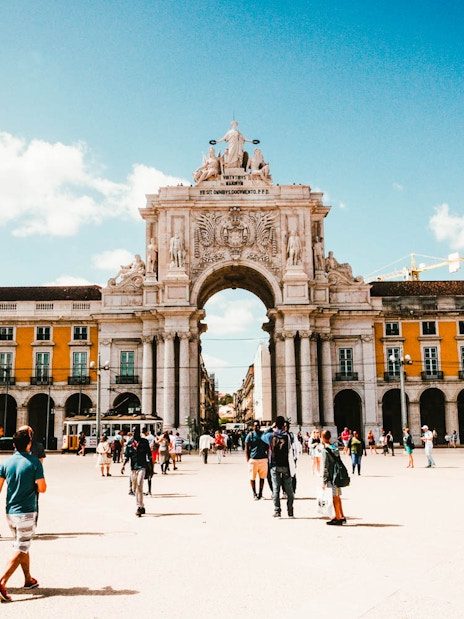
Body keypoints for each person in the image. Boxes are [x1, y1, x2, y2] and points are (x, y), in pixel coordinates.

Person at [0, 429, 47, 602]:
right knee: (21, 547)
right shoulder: (35, 463)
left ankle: (28, 579)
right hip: (26, 512)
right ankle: (2, 582)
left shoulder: (5, 463)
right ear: (29, 444)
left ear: (13, 445)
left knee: (21, 544)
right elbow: (42, 488)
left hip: (10, 512)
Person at [268, 416, 295, 518]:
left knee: (276, 489)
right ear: (284, 424)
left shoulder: (271, 435)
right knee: (289, 489)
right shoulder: (287, 436)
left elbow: (263, 436)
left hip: (274, 465)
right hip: (285, 464)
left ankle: (277, 511)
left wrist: (271, 427)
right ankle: (290, 511)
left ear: (275, 424)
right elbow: (290, 448)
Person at [321, 429, 346, 525]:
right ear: (330, 437)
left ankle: (338, 518)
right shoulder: (334, 447)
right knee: (337, 496)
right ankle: (341, 515)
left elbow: (325, 467)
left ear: (322, 438)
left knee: (334, 497)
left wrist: (324, 481)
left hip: (332, 477)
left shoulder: (325, 450)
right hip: (338, 475)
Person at [125, 429, 151, 517]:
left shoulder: (144, 442)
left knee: (140, 484)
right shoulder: (129, 443)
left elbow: (149, 454)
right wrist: (123, 465)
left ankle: (139, 507)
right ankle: (141, 505)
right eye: (133, 431)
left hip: (142, 466)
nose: (134, 433)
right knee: (135, 487)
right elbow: (127, 455)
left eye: (136, 431)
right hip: (133, 468)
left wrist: (151, 468)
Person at [245, 421, 269, 500]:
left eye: (258, 426)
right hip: (253, 459)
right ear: (253, 426)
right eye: (255, 426)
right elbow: (246, 448)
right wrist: (248, 459)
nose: (257, 427)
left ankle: (261, 494)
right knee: (252, 477)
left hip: (263, 459)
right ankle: (254, 493)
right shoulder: (250, 435)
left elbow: (267, 446)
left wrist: (268, 457)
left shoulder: (263, 435)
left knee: (262, 477)